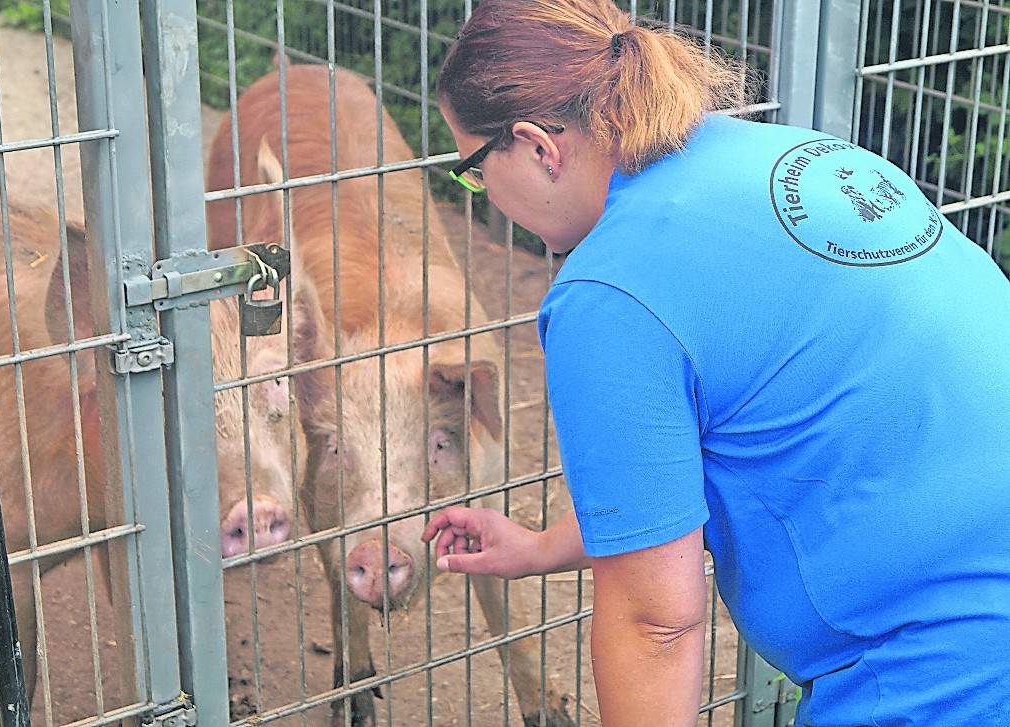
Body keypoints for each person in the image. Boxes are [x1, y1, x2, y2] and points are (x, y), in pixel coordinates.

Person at [420, 0, 1010, 725]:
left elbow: (654, 623)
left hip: (950, 656)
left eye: (472, 172)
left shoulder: (611, 290)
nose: (482, 195)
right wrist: (545, 545)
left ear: (537, 146)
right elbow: (720, 429)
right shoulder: (788, 157)